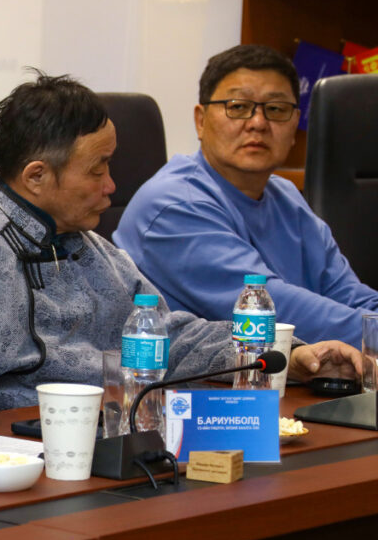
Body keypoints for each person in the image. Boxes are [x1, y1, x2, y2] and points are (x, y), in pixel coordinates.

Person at [0, 71, 361, 411]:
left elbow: (170, 339)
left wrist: (287, 355)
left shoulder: (89, 246)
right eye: (98, 169)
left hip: (119, 424)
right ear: (37, 176)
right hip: (18, 445)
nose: (111, 185)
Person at [114, 44, 378, 346]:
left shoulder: (286, 195)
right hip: (191, 375)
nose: (258, 123)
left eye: (276, 109)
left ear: (295, 124)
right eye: (238, 107)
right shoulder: (172, 205)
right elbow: (265, 309)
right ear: (201, 121)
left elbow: (350, 294)